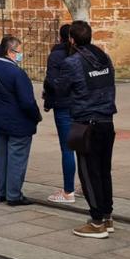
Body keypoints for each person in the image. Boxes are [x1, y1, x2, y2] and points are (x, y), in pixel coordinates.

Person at [54, 20, 117, 238]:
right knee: (103, 171)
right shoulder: (104, 57)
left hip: (86, 123)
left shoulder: (72, 62)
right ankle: (107, 216)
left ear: (71, 39)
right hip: (107, 121)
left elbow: (61, 89)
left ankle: (97, 221)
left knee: (88, 173)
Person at [0, 36, 42, 206]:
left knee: (2, 157)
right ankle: (13, 194)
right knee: (17, 158)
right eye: (19, 50)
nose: (21, 54)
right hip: (18, 122)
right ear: (10, 51)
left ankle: (1, 191)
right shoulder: (17, 73)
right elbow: (27, 101)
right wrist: (36, 116)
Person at [43, 24, 77, 204]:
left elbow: (51, 81)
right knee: (84, 149)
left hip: (63, 106)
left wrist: (48, 102)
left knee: (67, 148)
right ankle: (87, 187)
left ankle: (68, 191)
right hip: (82, 105)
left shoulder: (56, 55)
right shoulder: (85, 53)